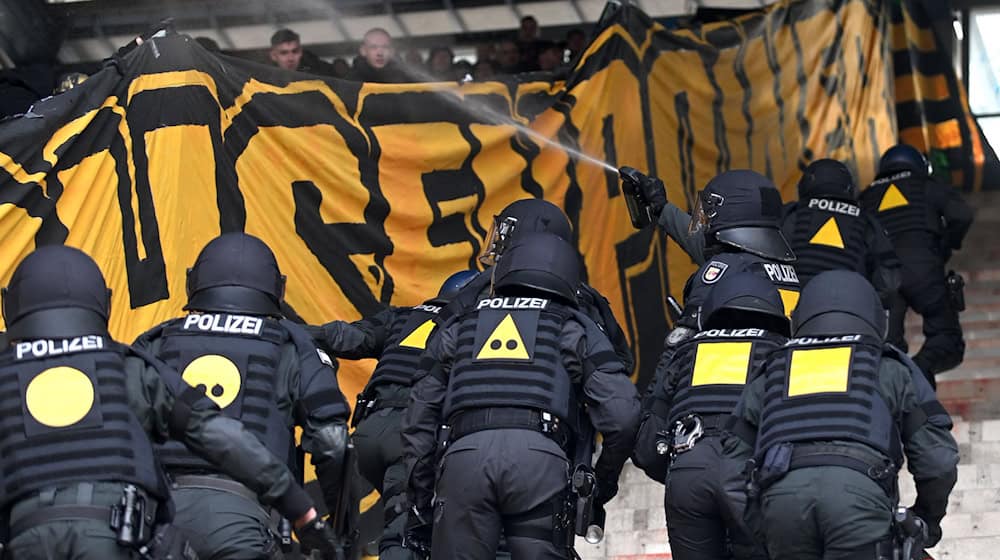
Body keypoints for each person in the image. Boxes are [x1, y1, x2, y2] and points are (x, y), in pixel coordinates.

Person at [0, 245, 340, 560]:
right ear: (104, 304)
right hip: (119, 536)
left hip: (24, 538)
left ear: (9, 305)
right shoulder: (128, 367)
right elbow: (222, 436)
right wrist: (299, 508)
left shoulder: (7, 372)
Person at [401, 231, 641, 559]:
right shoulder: (572, 326)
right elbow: (624, 416)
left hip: (464, 460)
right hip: (540, 462)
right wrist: (601, 483)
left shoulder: (460, 323)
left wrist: (421, 492)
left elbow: (419, 413)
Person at [132, 233, 354, 560]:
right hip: (250, 521)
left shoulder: (155, 341)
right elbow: (333, 444)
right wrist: (333, 531)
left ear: (193, 283)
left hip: (160, 522)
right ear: (277, 289)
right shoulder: (292, 346)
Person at [724, 270, 959, 560]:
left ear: (800, 318)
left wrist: (760, 523)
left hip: (783, 504)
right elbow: (938, 461)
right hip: (858, 501)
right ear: (875, 318)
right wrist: (926, 520)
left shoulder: (772, 369)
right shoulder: (890, 367)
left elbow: (731, 463)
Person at [306, 270, 477, 560]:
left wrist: (297, 332)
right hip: (412, 438)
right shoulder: (474, 325)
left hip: (366, 433)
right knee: (405, 532)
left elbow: (348, 337)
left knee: (337, 531)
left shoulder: (402, 316)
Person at [634, 272, 788, 560]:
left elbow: (646, 446)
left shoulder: (685, 352)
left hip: (688, 469)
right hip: (748, 472)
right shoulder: (781, 351)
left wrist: (678, 471)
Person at [437, 198, 634, 375]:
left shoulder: (482, 288)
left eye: (503, 240)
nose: (496, 247)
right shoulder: (586, 298)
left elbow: (438, 346)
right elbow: (619, 367)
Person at [622, 169, 800, 353]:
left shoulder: (726, 268)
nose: (703, 222)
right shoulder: (785, 272)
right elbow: (702, 243)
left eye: (707, 213)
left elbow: (678, 351)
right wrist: (662, 208)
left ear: (724, 213)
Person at [860, 144, 974, 385]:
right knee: (947, 339)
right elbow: (962, 214)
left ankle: (897, 387)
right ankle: (920, 370)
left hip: (884, 279)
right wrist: (946, 246)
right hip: (923, 270)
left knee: (886, 352)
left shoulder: (866, 196)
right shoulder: (926, 184)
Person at [781, 159, 901, 309]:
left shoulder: (790, 214)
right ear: (848, 187)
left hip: (793, 313)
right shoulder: (866, 222)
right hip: (846, 310)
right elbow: (889, 283)